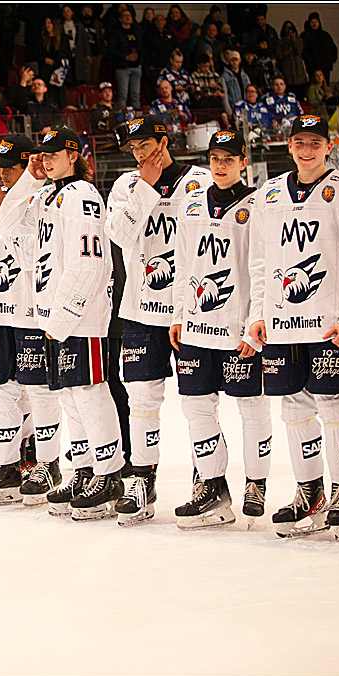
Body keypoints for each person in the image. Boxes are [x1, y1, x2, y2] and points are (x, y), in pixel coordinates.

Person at [247, 114, 339, 539]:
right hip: (283, 326)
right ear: (289, 146)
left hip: (329, 325)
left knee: (334, 408)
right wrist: (258, 315)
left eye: (315, 143)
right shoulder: (268, 194)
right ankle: (310, 492)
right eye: (299, 142)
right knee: (295, 411)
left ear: (330, 145)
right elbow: (261, 262)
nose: (307, 150)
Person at [0, 126, 126, 519]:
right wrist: (28, 179)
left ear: (75, 154)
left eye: (54, 154)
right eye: (42, 154)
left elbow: (89, 262)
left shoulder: (83, 195)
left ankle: (109, 474)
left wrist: (64, 315)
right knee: (69, 396)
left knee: (89, 392)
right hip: (55, 317)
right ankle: (84, 467)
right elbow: (6, 223)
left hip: (80, 317)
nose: (46, 159)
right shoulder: (46, 194)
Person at [104, 115, 213, 525]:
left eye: (144, 146)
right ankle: (141, 479)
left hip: (190, 310)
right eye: (133, 149)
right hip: (139, 310)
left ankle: (208, 478)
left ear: (163, 142)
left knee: (197, 401)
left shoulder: (198, 182)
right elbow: (118, 235)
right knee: (142, 400)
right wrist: (145, 189)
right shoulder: (126, 186)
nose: (139, 154)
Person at [168, 129, 272, 529]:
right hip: (196, 325)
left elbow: (262, 269)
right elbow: (182, 265)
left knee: (251, 408)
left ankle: (255, 483)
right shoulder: (191, 203)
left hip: (237, 327)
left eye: (229, 159)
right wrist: (178, 314)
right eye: (215, 158)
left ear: (244, 162)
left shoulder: (258, 203)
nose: (221, 165)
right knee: (196, 408)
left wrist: (254, 323)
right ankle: (212, 485)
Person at [0, 134, 58, 504]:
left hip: (33, 310)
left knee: (39, 391)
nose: (3, 175)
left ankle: (47, 464)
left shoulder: (46, 199)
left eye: (11, 168)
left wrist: (17, 198)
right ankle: (5, 467)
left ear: (29, 166)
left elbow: (38, 251)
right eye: (0, 168)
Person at [109, 8, 143, 110]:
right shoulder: (116, 32)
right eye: (125, 16)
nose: (127, 18)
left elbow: (142, 48)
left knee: (135, 95)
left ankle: (138, 119)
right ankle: (121, 118)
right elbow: (111, 49)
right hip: (122, 67)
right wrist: (125, 57)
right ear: (120, 19)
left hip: (136, 67)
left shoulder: (136, 31)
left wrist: (140, 62)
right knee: (123, 95)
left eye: (129, 16)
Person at [301, 12, 337, 84]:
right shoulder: (305, 36)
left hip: (326, 67)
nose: (314, 24)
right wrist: (312, 63)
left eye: (315, 22)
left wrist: (332, 60)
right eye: (312, 22)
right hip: (313, 68)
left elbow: (333, 48)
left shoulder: (325, 35)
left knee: (326, 86)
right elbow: (304, 52)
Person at [276, 21, 308, 97]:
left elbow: (299, 51)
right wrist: (289, 50)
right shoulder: (281, 42)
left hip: (299, 71)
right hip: (288, 71)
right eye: (287, 28)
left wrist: (294, 40)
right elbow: (279, 55)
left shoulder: (298, 40)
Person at [79, 5, 105, 85]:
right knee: (86, 76)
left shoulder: (97, 24)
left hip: (96, 53)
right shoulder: (79, 24)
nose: (87, 13)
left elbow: (101, 39)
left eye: (89, 11)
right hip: (84, 54)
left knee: (95, 76)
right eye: (85, 11)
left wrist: (102, 52)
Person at [90, 81, 118, 152]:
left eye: (109, 91)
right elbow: (98, 124)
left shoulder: (116, 106)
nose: (108, 94)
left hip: (117, 138)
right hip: (104, 139)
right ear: (100, 94)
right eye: (105, 92)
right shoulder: (96, 108)